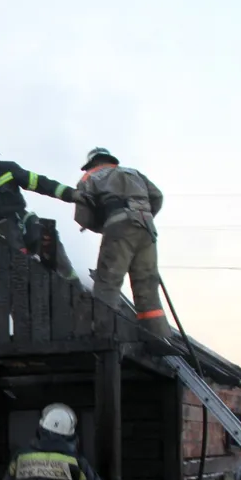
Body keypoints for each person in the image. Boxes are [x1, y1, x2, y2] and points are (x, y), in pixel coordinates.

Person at [75, 147, 172, 351]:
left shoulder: (89, 178)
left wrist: (107, 225)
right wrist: (143, 215)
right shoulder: (133, 172)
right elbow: (157, 196)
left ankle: (104, 334)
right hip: (146, 228)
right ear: (110, 160)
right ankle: (157, 338)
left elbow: (82, 216)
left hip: (118, 227)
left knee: (107, 282)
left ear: (92, 163)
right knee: (146, 284)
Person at [0, 140, 86, 288]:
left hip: (21, 218)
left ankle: (73, 284)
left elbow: (40, 183)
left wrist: (70, 194)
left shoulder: (7, 169)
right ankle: (29, 285)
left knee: (47, 237)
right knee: (15, 254)